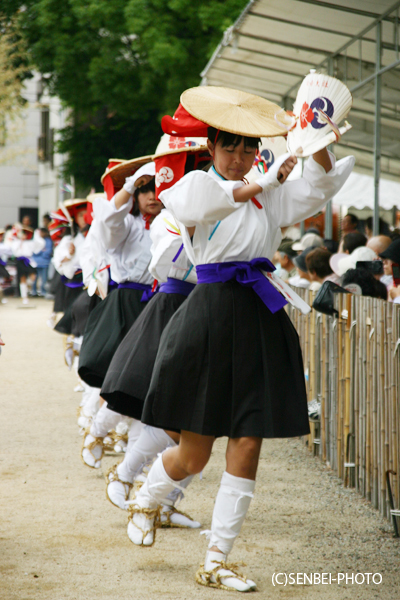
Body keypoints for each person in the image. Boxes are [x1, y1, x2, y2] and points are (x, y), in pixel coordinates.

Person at [126, 87, 355, 592]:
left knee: (248, 439)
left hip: (257, 314)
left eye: (247, 148)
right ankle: (149, 497)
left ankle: (216, 558)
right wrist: (264, 179)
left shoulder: (268, 190)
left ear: (257, 151)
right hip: (207, 315)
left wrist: (313, 138)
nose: (238, 157)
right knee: (195, 452)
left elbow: (319, 188)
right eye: (228, 147)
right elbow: (197, 204)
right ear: (210, 149)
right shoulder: (193, 185)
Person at [31, 228, 53, 296]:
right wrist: (41, 251)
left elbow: (48, 251)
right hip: (35, 263)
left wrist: (39, 252)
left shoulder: (48, 241)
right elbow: (33, 251)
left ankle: (43, 292)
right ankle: (34, 292)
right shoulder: (35, 240)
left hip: (44, 263)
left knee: (44, 279)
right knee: (34, 278)